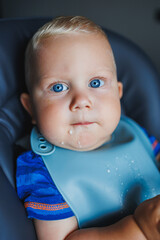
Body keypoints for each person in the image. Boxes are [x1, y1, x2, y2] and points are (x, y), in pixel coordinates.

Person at [16, 16, 160, 240]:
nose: (81, 100)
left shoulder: (135, 133)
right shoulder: (41, 172)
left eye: (95, 83)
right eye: (58, 87)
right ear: (31, 108)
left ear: (118, 93)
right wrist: (138, 229)